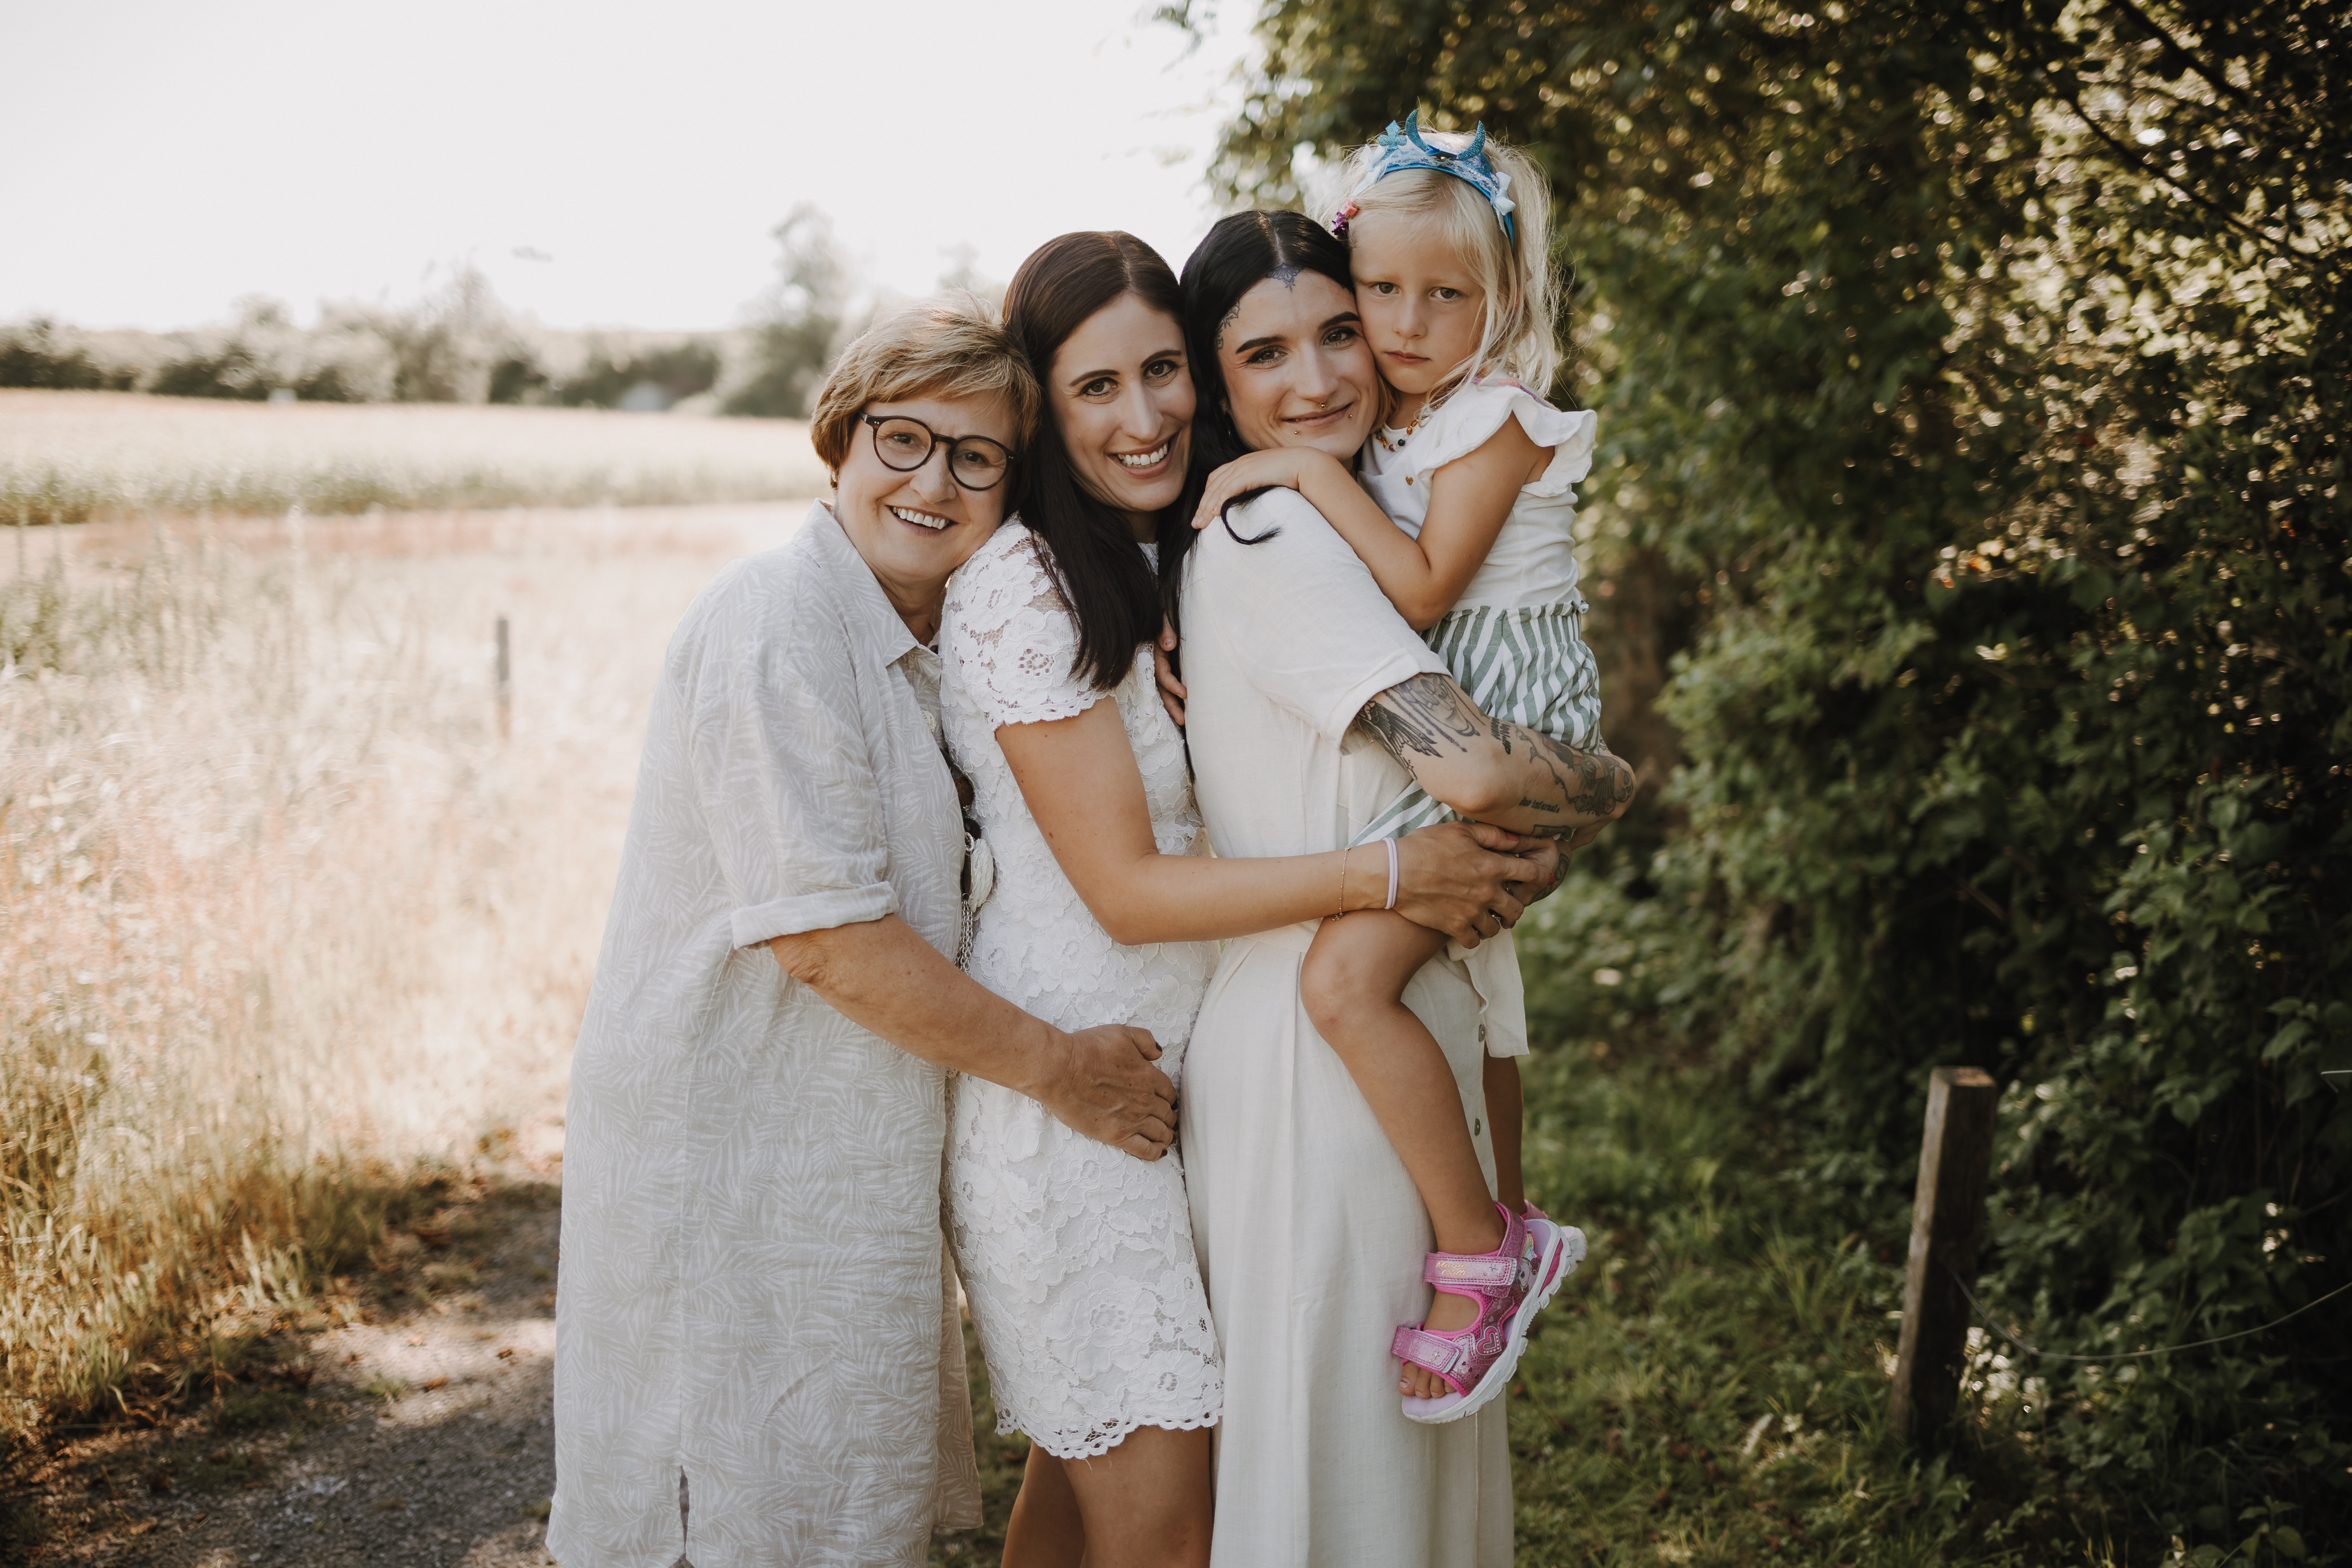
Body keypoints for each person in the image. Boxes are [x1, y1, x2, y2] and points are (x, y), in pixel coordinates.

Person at [936, 231, 1555, 1568]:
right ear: (1046, 402)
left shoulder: (1162, 554)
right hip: (1082, 1100)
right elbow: (1125, 891)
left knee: (1077, 1476)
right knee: (1164, 1535)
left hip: (1186, 1085)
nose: (1145, 413)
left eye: (1163, 371)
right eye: (1098, 387)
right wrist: (1400, 873)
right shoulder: (1028, 586)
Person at [550, 298, 1183, 1568]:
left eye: (976, 456)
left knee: (831, 1510)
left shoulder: (931, 637)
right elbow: (830, 939)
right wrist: (1064, 1071)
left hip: (841, 1156)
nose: (933, 482)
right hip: (734, 1157)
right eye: (904, 439)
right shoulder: (778, 619)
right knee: (725, 1511)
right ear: (840, 439)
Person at [1166, 209, 1636, 1566]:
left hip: (1364, 1033)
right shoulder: (1280, 533)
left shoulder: (1358, 492)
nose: (1317, 379)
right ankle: (1492, 1244)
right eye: (1266, 355)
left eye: (1338, 334)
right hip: (1331, 1083)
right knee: (1348, 1500)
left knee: (1371, 1486)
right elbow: (1481, 778)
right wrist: (1616, 788)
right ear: (1217, 384)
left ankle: (1493, 1243)